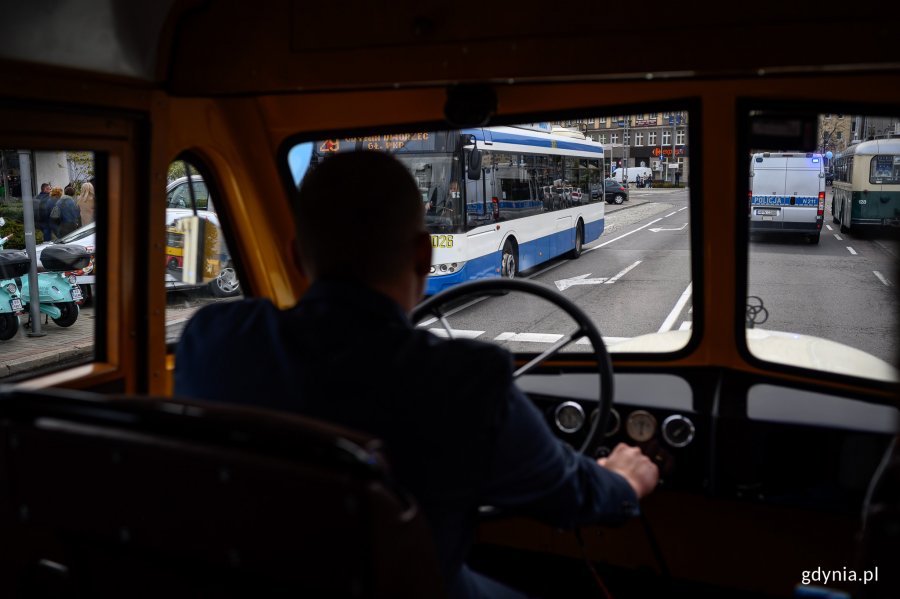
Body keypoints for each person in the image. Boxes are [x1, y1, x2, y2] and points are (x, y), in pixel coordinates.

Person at [175, 151, 659, 599]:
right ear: (424, 257)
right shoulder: (466, 379)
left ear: (296, 257)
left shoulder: (211, 339)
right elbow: (572, 498)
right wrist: (622, 480)